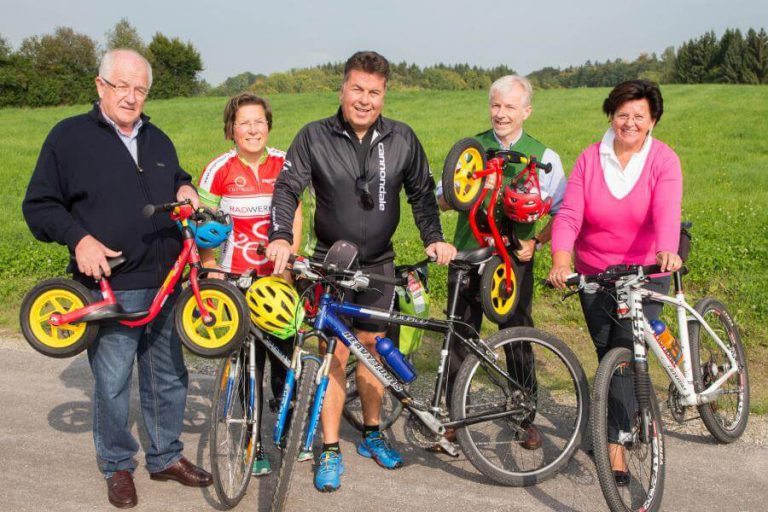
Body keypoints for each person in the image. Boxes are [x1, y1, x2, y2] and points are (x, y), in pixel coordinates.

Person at [22, 49, 211, 509]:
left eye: (140, 88)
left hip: (166, 281)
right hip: (112, 281)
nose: (131, 96)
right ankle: (117, 464)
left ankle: (165, 456)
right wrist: (79, 239)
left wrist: (185, 187)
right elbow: (39, 206)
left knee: (169, 375)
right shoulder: (68, 138)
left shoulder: (157, 137)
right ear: (100, 85)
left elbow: (176, 177)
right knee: (112, 382)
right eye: (122, 86)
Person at [267, 50, 456, 492]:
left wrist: (433, 237)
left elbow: (422, 194)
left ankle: (372, 433)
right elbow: (287, 189)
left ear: (384, 95)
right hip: (329, 265)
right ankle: (331, 447)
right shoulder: (314, 136)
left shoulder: (402, 138)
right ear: (342, 90)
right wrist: (280, 235)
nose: (365, 99)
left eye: (374, 92)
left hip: (378, 265)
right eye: (357, 89)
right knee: (334, 351)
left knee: (371, 348)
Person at [548, 79, 682, 486]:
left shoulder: (663, 160)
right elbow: (570, 214)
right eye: (623, 114)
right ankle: (619, 417)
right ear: (611, 116)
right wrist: (561, 260)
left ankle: (615, 445)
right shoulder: (590, 159)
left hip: (645, 271)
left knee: (623, 354)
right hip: (596, 272)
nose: (630, 122)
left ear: (652, 120)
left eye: (639, 115)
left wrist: (667, 248)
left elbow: (666, 209)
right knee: (608, 353)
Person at [437, 75, 566, 450]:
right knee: (459, 336)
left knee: (517, 335)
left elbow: (564, 212)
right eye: (496, 105)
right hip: (467, 254)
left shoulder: (544, 156)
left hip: (513, 260)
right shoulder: (471, 149)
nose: (501, 113)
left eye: (510, 107)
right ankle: (453, 420)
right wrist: (469, 189)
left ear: (527, 111)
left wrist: (536, 242)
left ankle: (524, 417)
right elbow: (442, 199)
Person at [197, 92, 302, 475]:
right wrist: (210, 268)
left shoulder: (284, 163)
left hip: (277, 278)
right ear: (231, 129)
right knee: (248, 365)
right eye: (244, 123)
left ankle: (285, 431)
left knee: (285, 359)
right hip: (236, 280)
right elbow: (203, 224)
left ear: (268, 126)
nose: (253, 129)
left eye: (259, 121)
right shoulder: (218, 169)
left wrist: (290, 259)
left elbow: (296, 213)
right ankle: (252, 443)